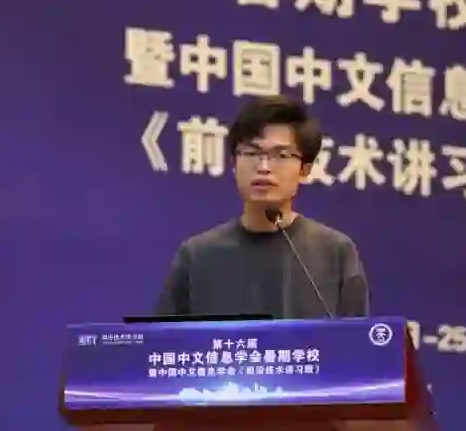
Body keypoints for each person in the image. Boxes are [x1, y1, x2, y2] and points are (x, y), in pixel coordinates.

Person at [154, 95, 370, 319]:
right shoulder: (197, 256)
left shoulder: (336, 252)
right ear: (234, 164)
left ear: (304, 169)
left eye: (281, 155)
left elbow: (357, 337)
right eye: (251, 153)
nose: (264, 166)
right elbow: (163, 338)